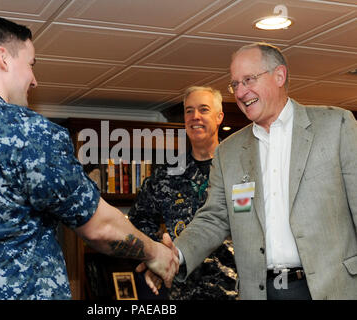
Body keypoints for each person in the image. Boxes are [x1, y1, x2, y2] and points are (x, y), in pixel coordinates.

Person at [0, 15, 178, 300]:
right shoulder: (30, 132)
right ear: (3, 58)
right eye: (31, 64)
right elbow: (101, 228)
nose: (34, 79)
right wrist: (155, 252)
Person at [142, 42, 357, 300]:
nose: (241, 92)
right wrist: (174, 256)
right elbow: (214, 218)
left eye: (249, 80)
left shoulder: (336, 126)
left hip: (331, 289)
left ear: (279, 75)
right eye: (235, 84)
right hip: (261, 292)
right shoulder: (229, 152)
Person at [128, 86, 237, 300]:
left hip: (236, 289)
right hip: (182, 291)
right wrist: (158, 252)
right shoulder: (165, 175)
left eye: (203, 109)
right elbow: (138, 221)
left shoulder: (240, 169)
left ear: (219, 117)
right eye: (189, 110)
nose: (195, 116)